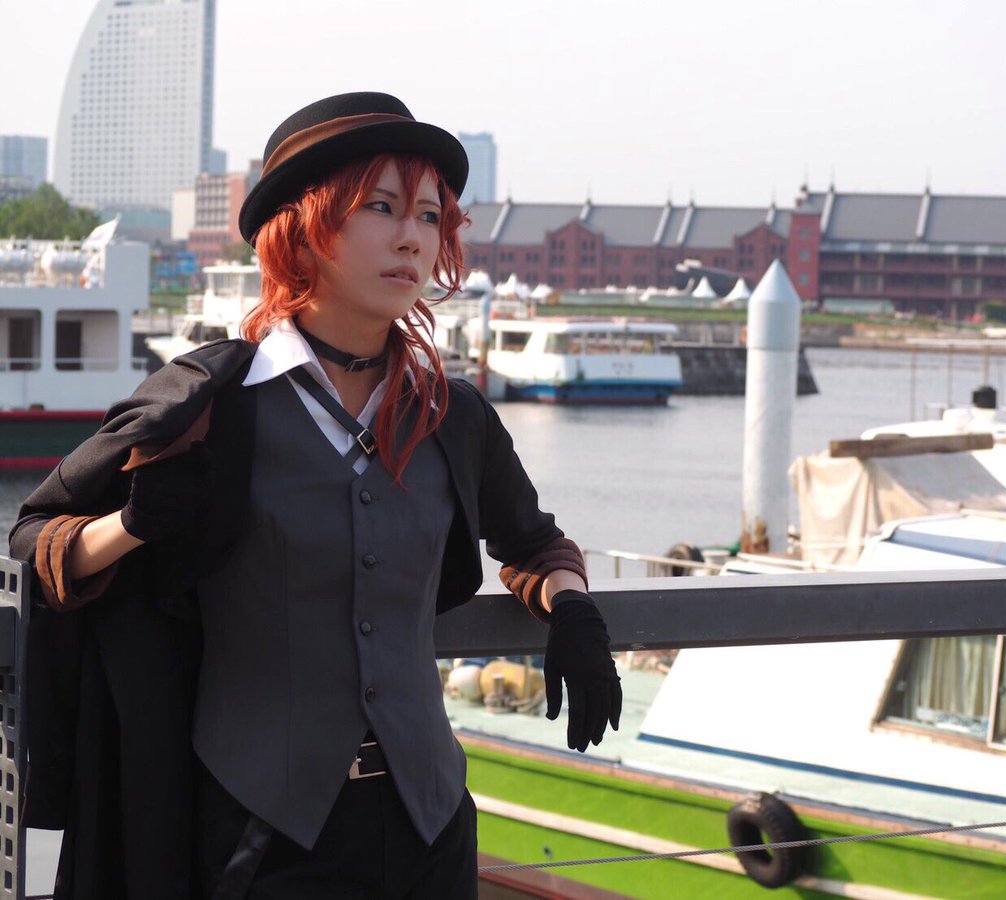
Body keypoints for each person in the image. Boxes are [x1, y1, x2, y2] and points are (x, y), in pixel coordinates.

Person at [9, 91, 622, 899]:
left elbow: (533, 543)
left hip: (431, 826)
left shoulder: (452, 415)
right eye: (381, 207)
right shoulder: (210, 404)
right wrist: (132, 524)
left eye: (430, 216)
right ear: (303, 229)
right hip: (258, 836)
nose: (413, 237)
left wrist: (573, 610)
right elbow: (36, 538)